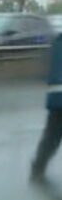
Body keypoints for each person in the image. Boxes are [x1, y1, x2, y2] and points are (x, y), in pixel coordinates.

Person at [31, 33, 62, 183]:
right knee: (52, 136)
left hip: (55, 98)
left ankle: (37, 171)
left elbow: (45, 68)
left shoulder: (56, 42)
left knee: (51, 137)